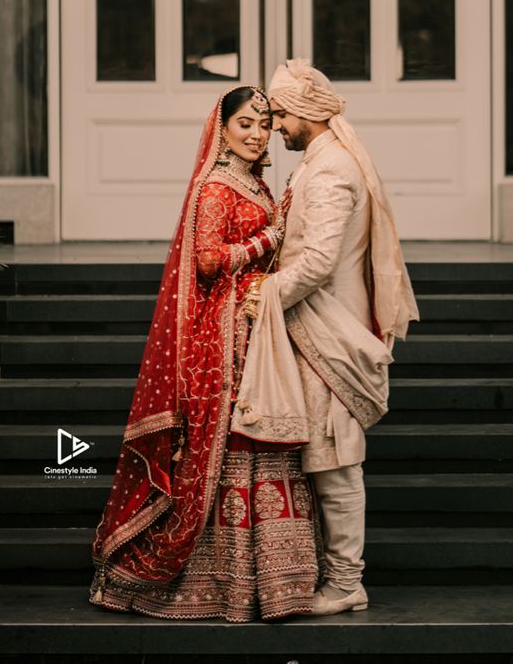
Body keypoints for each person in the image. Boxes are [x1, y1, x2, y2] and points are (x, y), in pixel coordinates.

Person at [89, 85, 319, 623]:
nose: (258, 133)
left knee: (263, 438)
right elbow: (211, 261)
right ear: (222, 127)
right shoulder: (217, 186)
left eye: (264, 124)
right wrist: (270, 239)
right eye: (246, 123)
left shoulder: (255, 182)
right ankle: (215, 582)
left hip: (257, 324)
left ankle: (274, 579)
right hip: (226, 336)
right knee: (232, 441)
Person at [243, 59, 419, 617]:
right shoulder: (320, 162)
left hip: (331, 333)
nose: (274, 128)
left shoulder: (327, 171)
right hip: (317, 327)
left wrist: (266, 295)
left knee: (337, 461)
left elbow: (317, 262)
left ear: (301, 115)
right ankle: (331, 574)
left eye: (279, 117)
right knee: (324, 457)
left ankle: (346, 583)